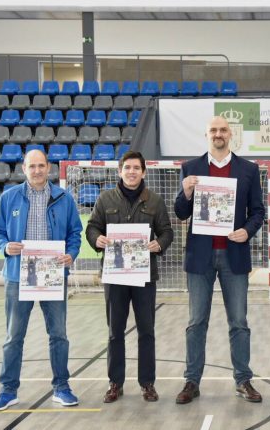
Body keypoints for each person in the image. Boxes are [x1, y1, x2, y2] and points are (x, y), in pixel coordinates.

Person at [174, 116, 266, 404]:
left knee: (239, 322)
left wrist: (246, 231)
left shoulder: (249, 169)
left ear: (230, 134)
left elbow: (258, 212)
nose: (218, 134)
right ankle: (192, 381)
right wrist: (186, 192)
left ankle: (243, 380)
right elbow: (180, 212)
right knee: (196, 322)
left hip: (233, 255)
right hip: (199, 256)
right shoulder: (191, 168)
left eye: (223, 130)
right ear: (206, 135)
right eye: (213, 130)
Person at [0, 149, 83, 411]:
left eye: (41, 165)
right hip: (18, 276)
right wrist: (5, 246)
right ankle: (8, 391)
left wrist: (71, 253)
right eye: (32, 166)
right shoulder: (9, 198)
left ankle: (61, 387)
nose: (37, 170)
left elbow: (75, 232)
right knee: (14, 336)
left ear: (49, 167)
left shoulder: (64, 198)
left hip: (54, 275)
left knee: (58, 335)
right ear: (24, 169)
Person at [86, 151, 174, 404]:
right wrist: (96, 239)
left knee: (146, 331)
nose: (132, 172)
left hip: (144, 276)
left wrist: (159, 244)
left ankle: (147, 383)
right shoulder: (105, 199)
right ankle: (115, 383)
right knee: (115, 331)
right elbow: (92, 227)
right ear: (120, 171)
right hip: (115, 276)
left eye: (136, 168)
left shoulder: (155, 201)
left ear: (143, 172)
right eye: (127, 167)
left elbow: (167, 231)